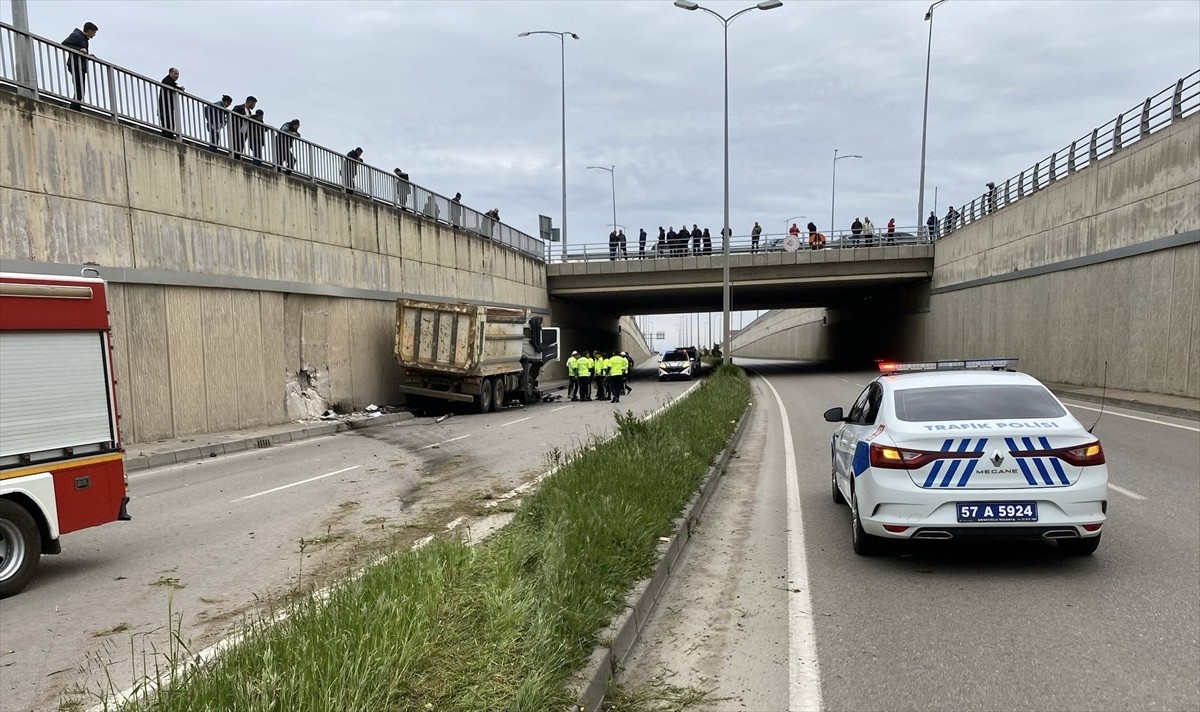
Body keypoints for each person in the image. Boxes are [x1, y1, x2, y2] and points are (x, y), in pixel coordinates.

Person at [61, 22, 98, 110]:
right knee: (79, 88)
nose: (94, 35)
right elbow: (64, 44)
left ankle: (76, 106)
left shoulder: (83, 38)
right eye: (94, 32)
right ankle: (74, 108)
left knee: (80, 88)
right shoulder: (77, 35)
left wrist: (88, 56)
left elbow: (83, 52)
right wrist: (79, 50)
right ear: (89, 31)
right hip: (75, 65)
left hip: (80, 65)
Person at [157, 67, 184, 139]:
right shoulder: (166, 80)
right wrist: (180, 89)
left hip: (167, 107)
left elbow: (173, 88)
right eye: (175, 74)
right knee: (167, 123)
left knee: (170, 123)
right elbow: (172, 87)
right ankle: (167, 137)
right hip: (164, 106)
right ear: (170, 73)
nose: (177, 76)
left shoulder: (169, 81)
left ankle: (169, 136)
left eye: (178, 74)